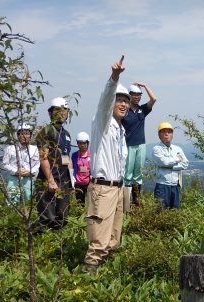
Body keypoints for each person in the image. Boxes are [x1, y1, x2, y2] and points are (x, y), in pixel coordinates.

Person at [83, 57, 130, 272]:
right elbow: (104, 100)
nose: (123, 104)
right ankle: (87, 278)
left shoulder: (120, 129)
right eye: (119, 99)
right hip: (102, 188)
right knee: (98, 242)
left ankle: (104, 278)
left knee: (113, 239)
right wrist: (114, 77)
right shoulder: (103, 122)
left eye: (126, 101)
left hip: (117, 188)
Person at [35, 97, 72, 232]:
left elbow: (67, 158)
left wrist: (71, 182)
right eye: (58, 110)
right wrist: (50, 180)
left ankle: (58, 249)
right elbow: (43, 156)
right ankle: (40, 248)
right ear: (50, 113)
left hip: (64, 180)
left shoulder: (66, 134)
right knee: (47, 217)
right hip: (48, 180)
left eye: (64, 110)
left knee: (62, 216)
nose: (62, 113)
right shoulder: (46, 131)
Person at [122, 82, 157, 206]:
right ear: (129, 95)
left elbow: (154, 99)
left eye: (139, 95)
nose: (137, 97)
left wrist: (145, 85)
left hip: (141, 145)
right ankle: (126, 202)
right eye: (135, 94)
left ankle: (136, 200)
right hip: (128, 145)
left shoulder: (143, 109)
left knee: (138, 174)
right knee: (127, 175)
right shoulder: (124, 110)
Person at [152, 122, 188, 209]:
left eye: (169, 132)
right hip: (162, 185)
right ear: (159, 135)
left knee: (175, 212)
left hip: (176, 185)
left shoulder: (178, 149)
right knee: (160, 213)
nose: (166, 134)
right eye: (163, 132)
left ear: (172, 135)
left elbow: (185, 164)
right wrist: (177, 159)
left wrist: (171, 166)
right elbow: (163, 162)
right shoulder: (156, 149)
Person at [2, 123, 40, 205]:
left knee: (29, 202)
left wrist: (29, 171)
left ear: (30, 135)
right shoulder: (10, 149)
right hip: (14, 179)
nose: (24, 136)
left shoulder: (35, 149)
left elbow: (37, 164)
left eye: (27, 133)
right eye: (21, 134)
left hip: (29, 179)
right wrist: (16, 171)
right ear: (18, 136)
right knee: (12, 203)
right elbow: (5, 164)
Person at [72, 131, 91, 204]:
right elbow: (72, 168)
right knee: (79, 203)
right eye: (80, 143)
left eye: (84, 143)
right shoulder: (74, 155)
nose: (82, 145)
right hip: (78, 183)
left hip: (89, 183)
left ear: (87, 143)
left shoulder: (91, 155)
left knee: (90, 203)